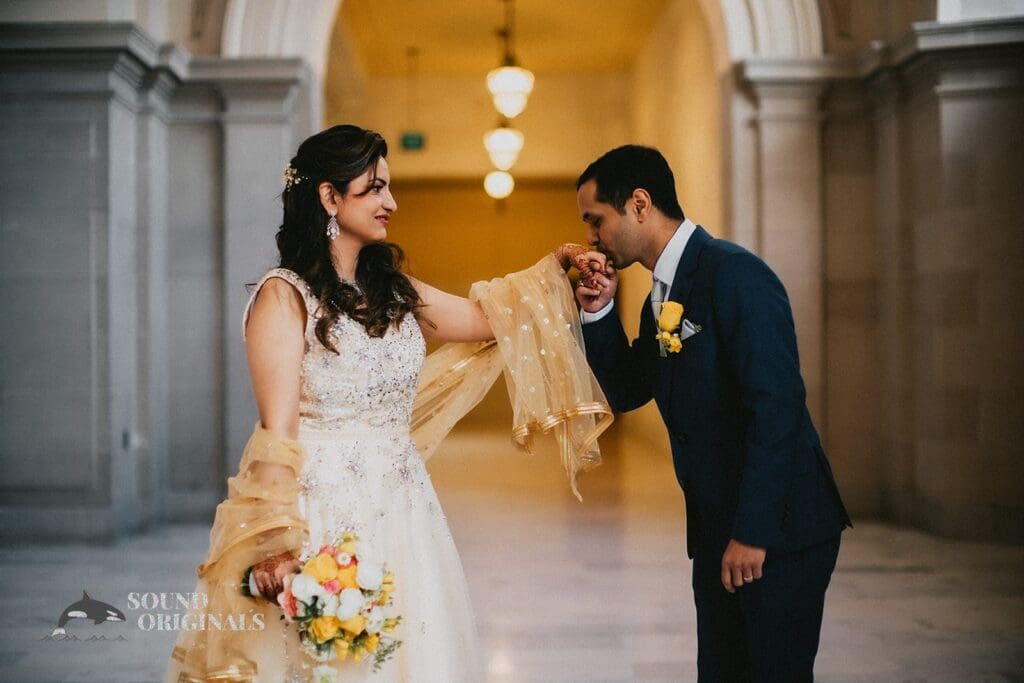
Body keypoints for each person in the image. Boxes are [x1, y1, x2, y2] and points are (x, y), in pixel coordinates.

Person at [164, 124, 610, 683]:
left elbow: (479, 319)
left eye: (389, 187)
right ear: (329, 196)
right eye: (374, 188)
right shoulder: (284, 297)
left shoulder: (393, 288)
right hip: (323, 512)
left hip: (404, 509)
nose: (391, 203)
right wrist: (276, 544)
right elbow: (277, 432)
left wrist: (562, 274)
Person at [573, 145, 852, 682]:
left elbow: (778, 409)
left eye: (595, 220)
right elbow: (629, 390)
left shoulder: (736, 274)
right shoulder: (661, 295)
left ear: (638, 204)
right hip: (718, 528)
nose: (590, 237)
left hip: (779, 530)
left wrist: (753, 532)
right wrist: (599, 309)